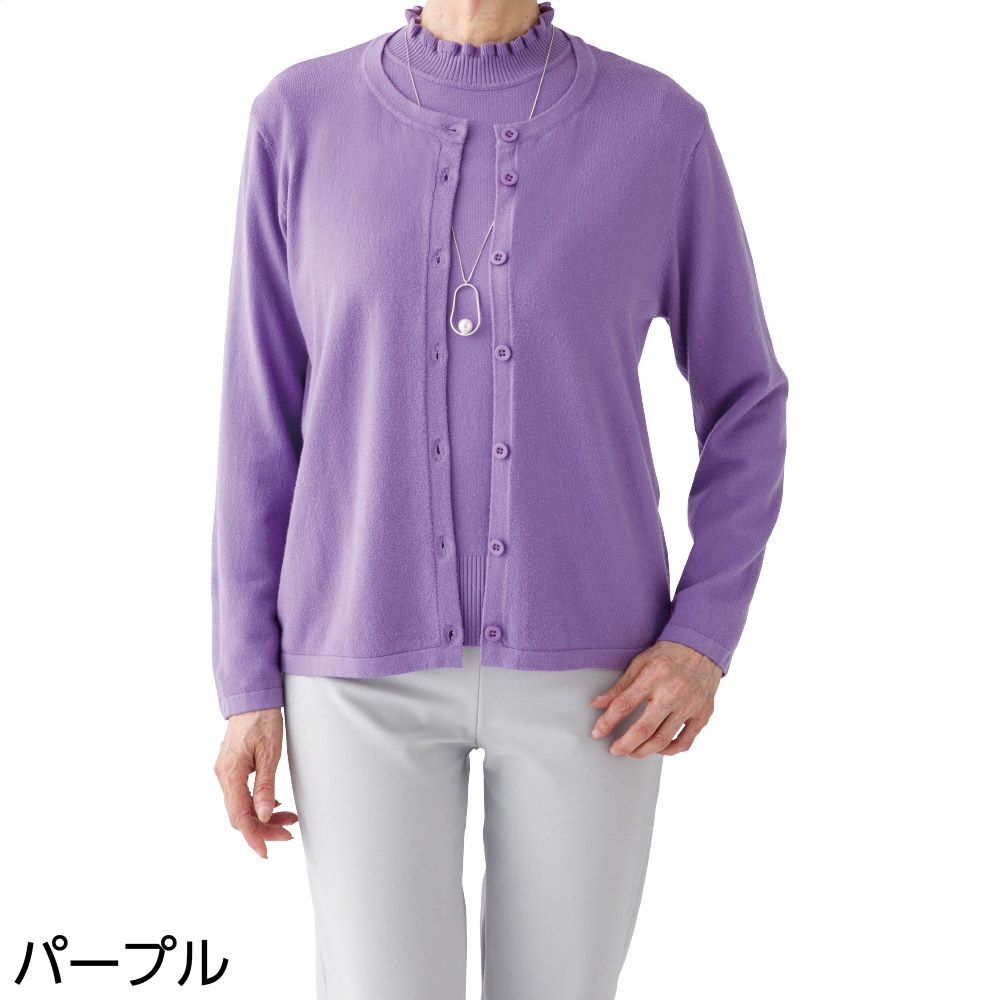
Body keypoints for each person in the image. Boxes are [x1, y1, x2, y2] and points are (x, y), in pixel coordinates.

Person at [210, 2, 788, 997]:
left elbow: (748, 403)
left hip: (598, 679)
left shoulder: (657, 127)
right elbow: (257, 421)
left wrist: (703, 637)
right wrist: (245, 681)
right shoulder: (298, 118)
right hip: (355, 665)